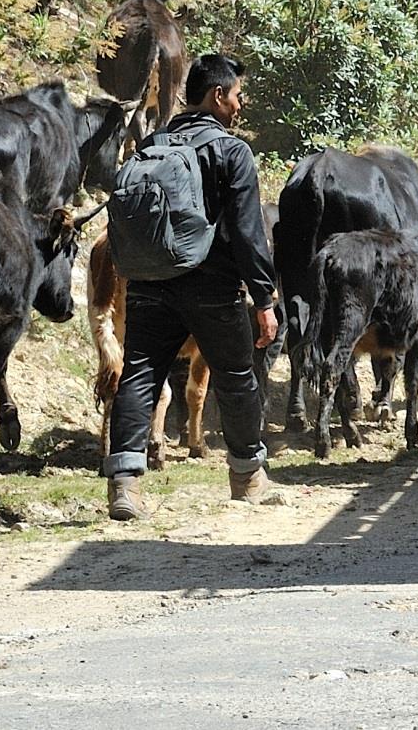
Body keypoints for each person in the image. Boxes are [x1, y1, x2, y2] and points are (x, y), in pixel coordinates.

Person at [102, 52, 283, 520]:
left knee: (140, 374)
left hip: (148, 281)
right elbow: (247, 232)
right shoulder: (231, 151)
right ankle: (247, 477)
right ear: (217, 95)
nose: (240, 106)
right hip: (212, 288)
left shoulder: (154, 143)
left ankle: (124, 483)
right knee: (237, 377)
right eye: (238, 95)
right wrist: (263, 297)